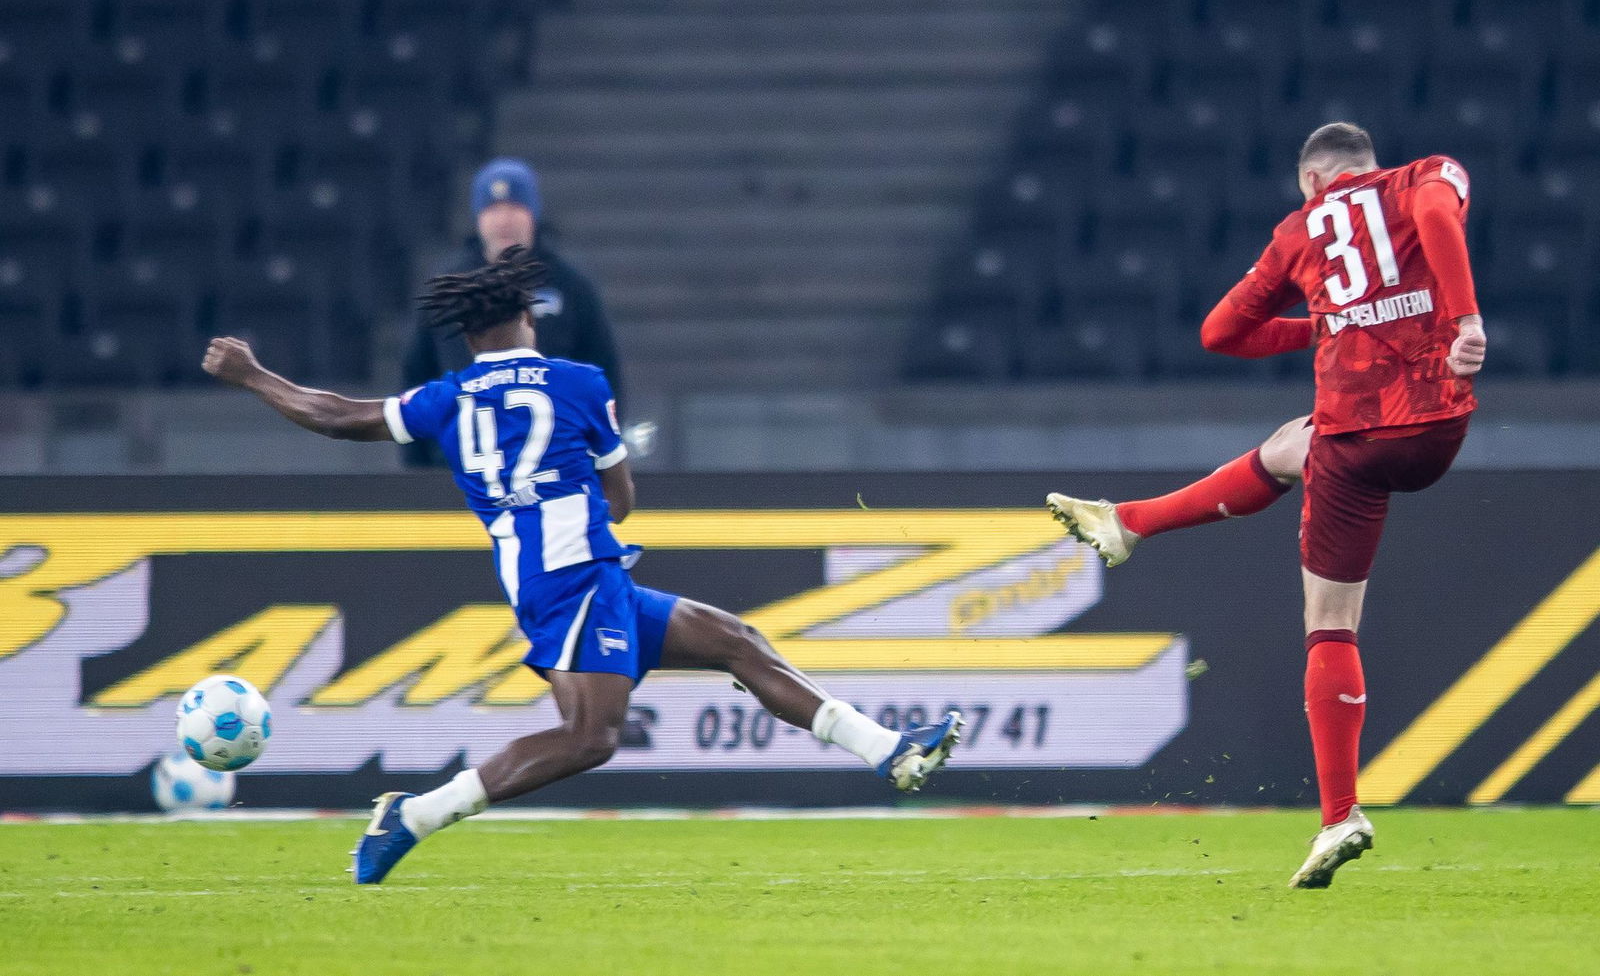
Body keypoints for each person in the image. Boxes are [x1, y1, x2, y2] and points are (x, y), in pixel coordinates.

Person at [203, 246, 961, 885]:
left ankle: (889, 751)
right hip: (577, 578)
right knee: (591, 737)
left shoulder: (448, 396)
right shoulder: (579, 382)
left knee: (734, 640)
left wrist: (254, 375)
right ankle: (415, 813)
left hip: (566, 581)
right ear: (525, 317)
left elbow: (340, 416)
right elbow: (622, 498)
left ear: (468, 334)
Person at [1046, 122, 1488, 889]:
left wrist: (1318, 322)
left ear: (1313, 182)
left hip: (1356, 442)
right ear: (1367, 164)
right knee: (1291, 441)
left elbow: (1221, 333)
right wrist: (1466, 317)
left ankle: (1340, 813)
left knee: (1329, 624)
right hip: (1436, 423)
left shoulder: (1299, 229)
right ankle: (1130, 521)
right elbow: (1439, 218)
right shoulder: (1427, 173)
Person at [401, 156, 624, 468]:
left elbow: (605, 369)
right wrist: (418, 466)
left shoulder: (570, 286)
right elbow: (416, 374)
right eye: (492, 209)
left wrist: (601, 455)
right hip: (462, 464)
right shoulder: (449, 287)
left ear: (532, 214)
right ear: (478, 217)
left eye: (514, 207)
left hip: (555, 462)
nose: (503, 220)